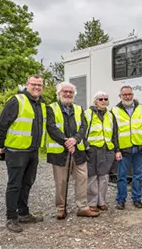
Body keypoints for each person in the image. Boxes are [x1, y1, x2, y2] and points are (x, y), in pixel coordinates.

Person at [0, 75, 46, 233]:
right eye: (34, 84)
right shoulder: (17, 100)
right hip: (16, 151)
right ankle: (11, 217)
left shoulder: (41, 104)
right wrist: (1, 146)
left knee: (27, 183)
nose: (37, 87)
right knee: (14, 184)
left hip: (32, 150)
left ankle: (23, 213)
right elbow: (2, 124)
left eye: (39, 85)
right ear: (27, 85)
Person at [46, 82, 99, 219]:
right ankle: (60, 208)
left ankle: (83, 208)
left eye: (71, 92)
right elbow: (51, 128)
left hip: (78, 152)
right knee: (61, 181)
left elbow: (83, 127)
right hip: (59, 152)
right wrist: (66, 141)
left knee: (82, 179)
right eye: (65, 92)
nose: (68, 94)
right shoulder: (51, 108)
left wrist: (75, 140)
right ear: (59, 93)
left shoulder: (79, 109)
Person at [111, 85, 142, 210]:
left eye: (130, 94)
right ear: (120, 96)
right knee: (121, 177)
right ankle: (121, 200)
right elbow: (114, 132)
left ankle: (137, 199)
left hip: (139, 149)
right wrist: (116, 150)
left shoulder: (141, 108)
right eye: (125, 95)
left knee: (138, 176)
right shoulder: (114, 110)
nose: (128, 97)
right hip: (123, 150)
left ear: (133, 95)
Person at [85, 92, 118, 212]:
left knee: (104, 177)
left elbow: (114, 133)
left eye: (106, 99)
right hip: (92, 149)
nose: (103, 101)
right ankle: (92, 202)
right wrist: (86, 147)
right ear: (95, 101)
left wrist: (115, 149)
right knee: (92, 176)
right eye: (100, 99)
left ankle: (102, 201)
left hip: (107, 149)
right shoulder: (87, 114)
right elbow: (83, 131)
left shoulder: (110, 115)